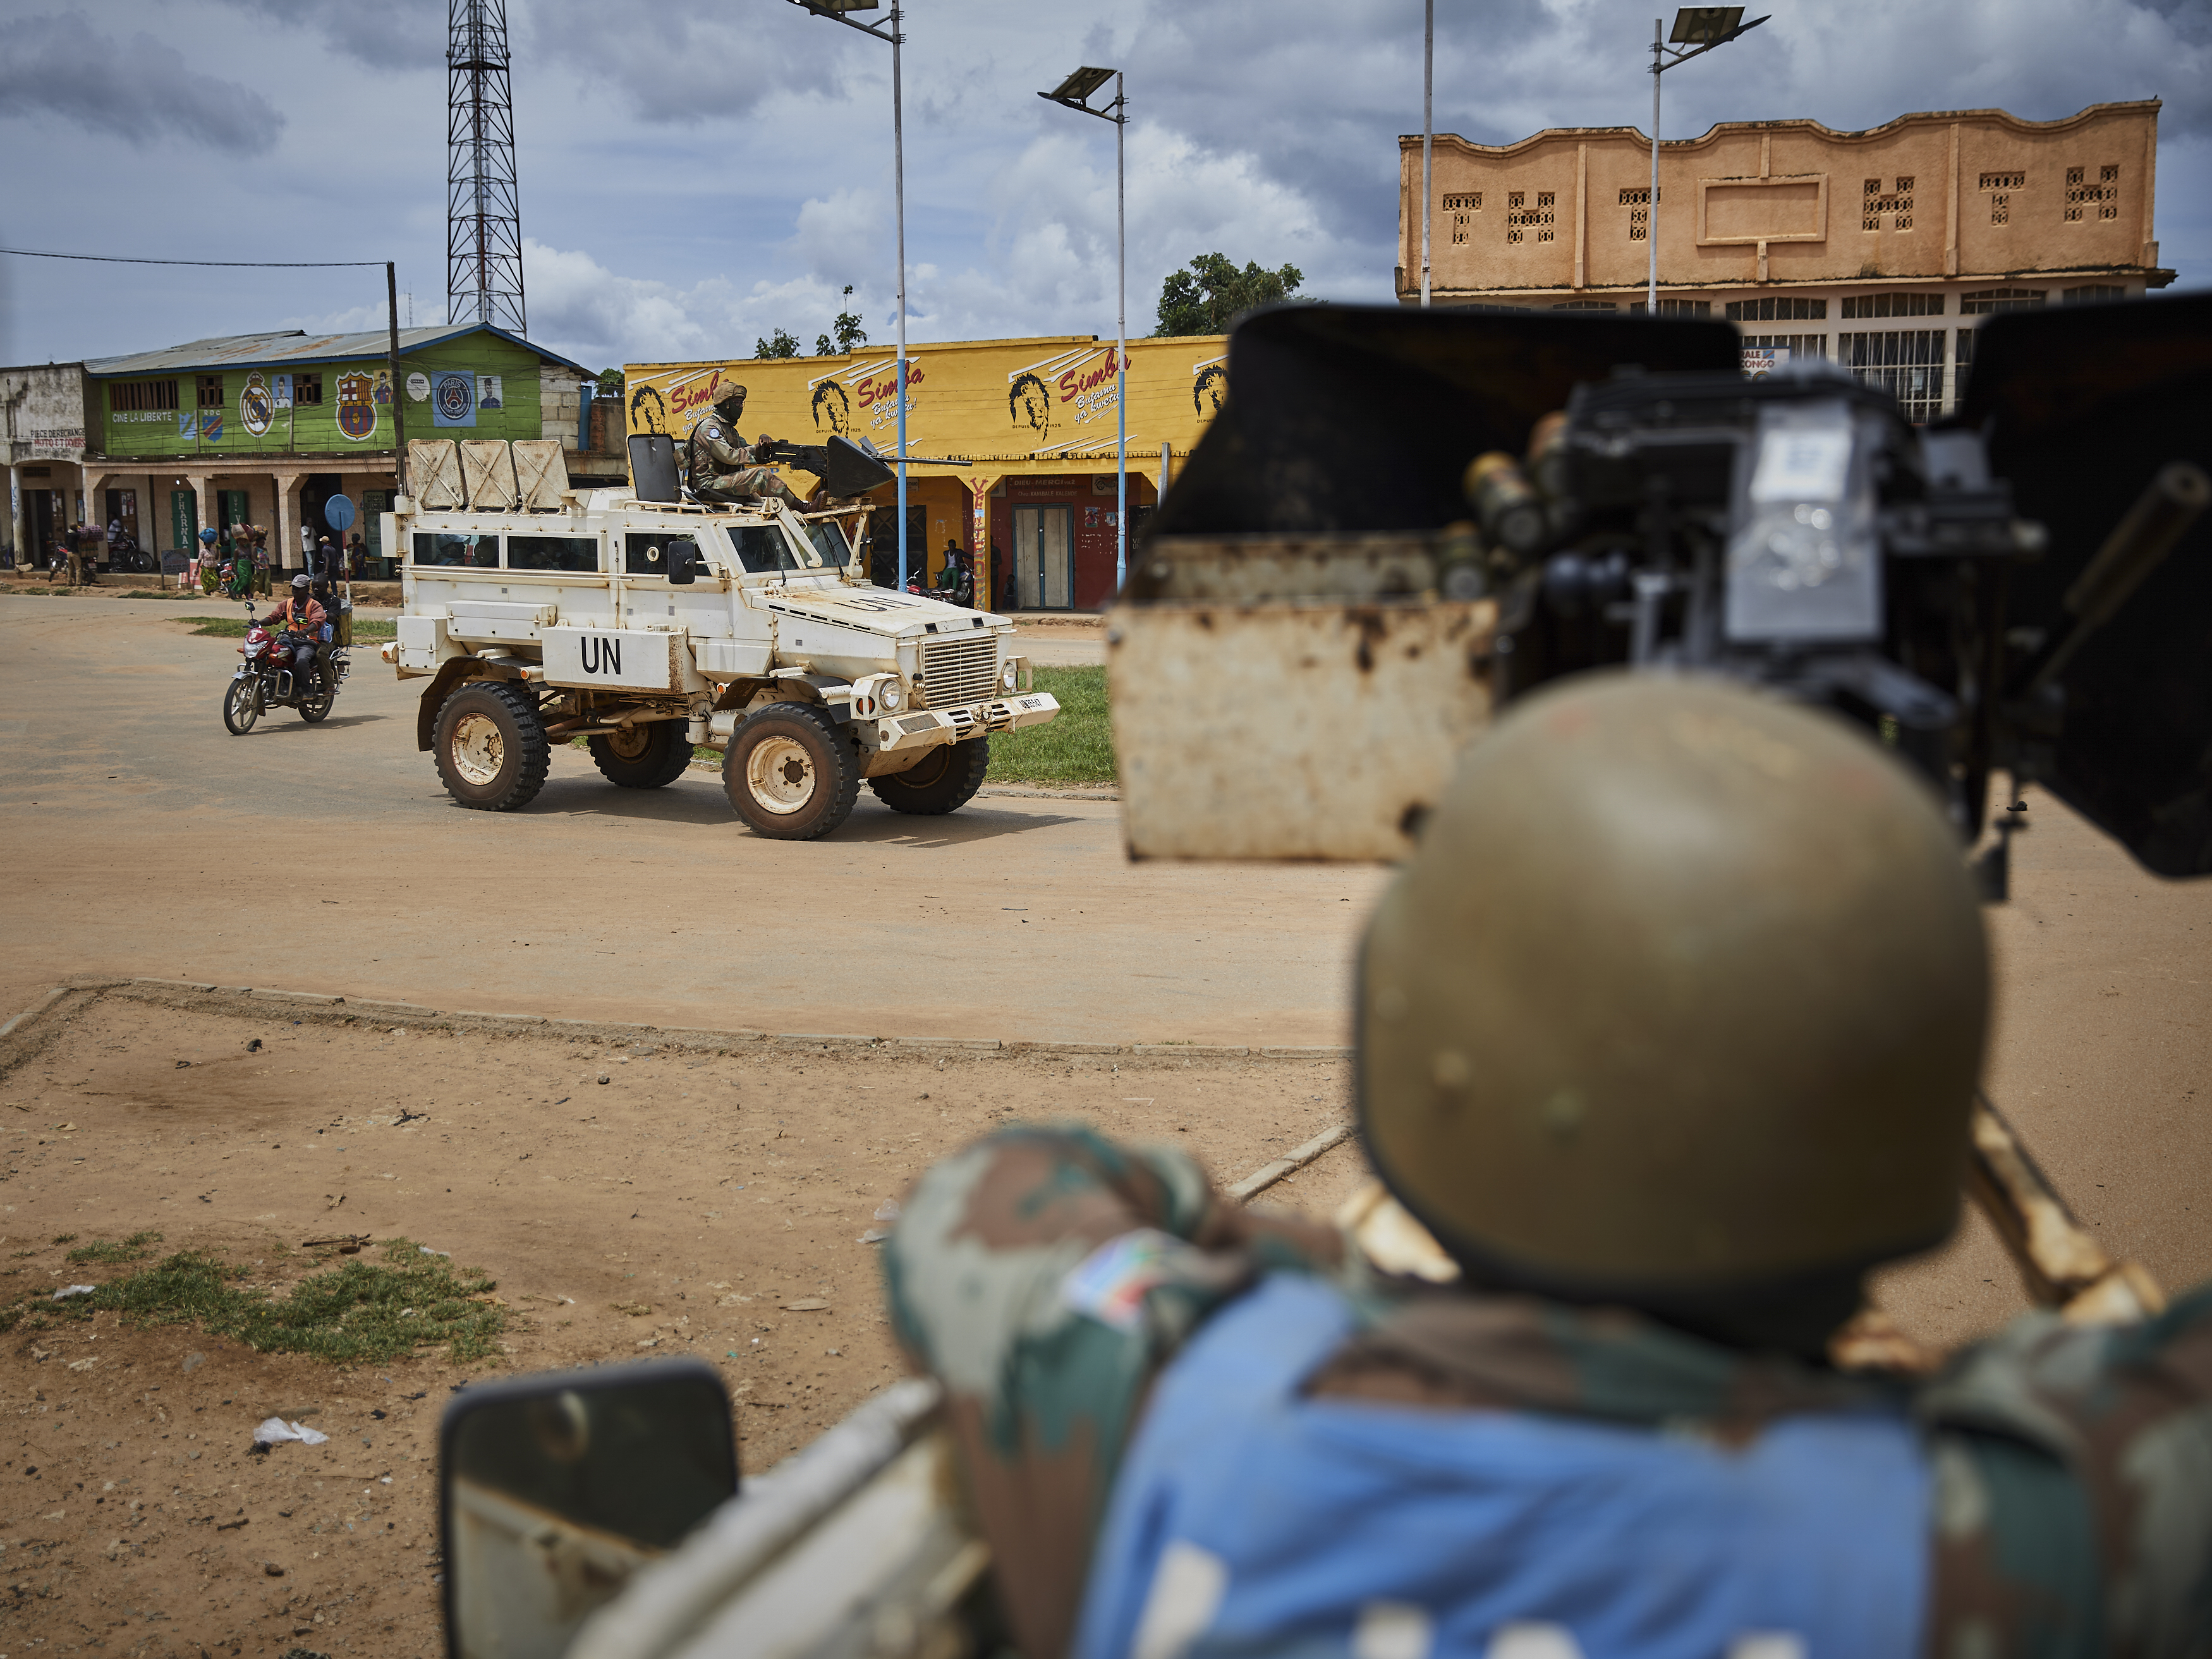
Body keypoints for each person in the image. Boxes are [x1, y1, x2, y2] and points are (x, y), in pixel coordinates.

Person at [884, 672, 2212, 1659]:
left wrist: (1301, 1275)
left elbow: (993, 1193)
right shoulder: (2014, 1544)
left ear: (1412, 1048)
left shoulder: (1150, 1407)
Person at [683, 386, 804, 509]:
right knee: (761, 475)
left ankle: (799, 509)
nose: (741, 406)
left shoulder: (730, 430)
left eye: (742, 403)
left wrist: (762, 446)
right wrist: (756, 448)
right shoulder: (709, 428)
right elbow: (729, 455)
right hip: (709, 483)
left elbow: (746, 449)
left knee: (763, 506)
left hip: (722, 481)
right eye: (737, 402)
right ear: (726, 404)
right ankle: (802, 507)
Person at [262, 574, 327, 691]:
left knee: (301, 662)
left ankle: (306, 689)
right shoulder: (287, 603)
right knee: (269, 655)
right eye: (294, 588)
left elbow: (317, 622)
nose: (295, 591)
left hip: (307, 642)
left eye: (299, 588)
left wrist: (305, 631)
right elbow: (274, 617)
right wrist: (259, 622)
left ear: (307, 589)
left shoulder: (314, 605)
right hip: (287, 640)